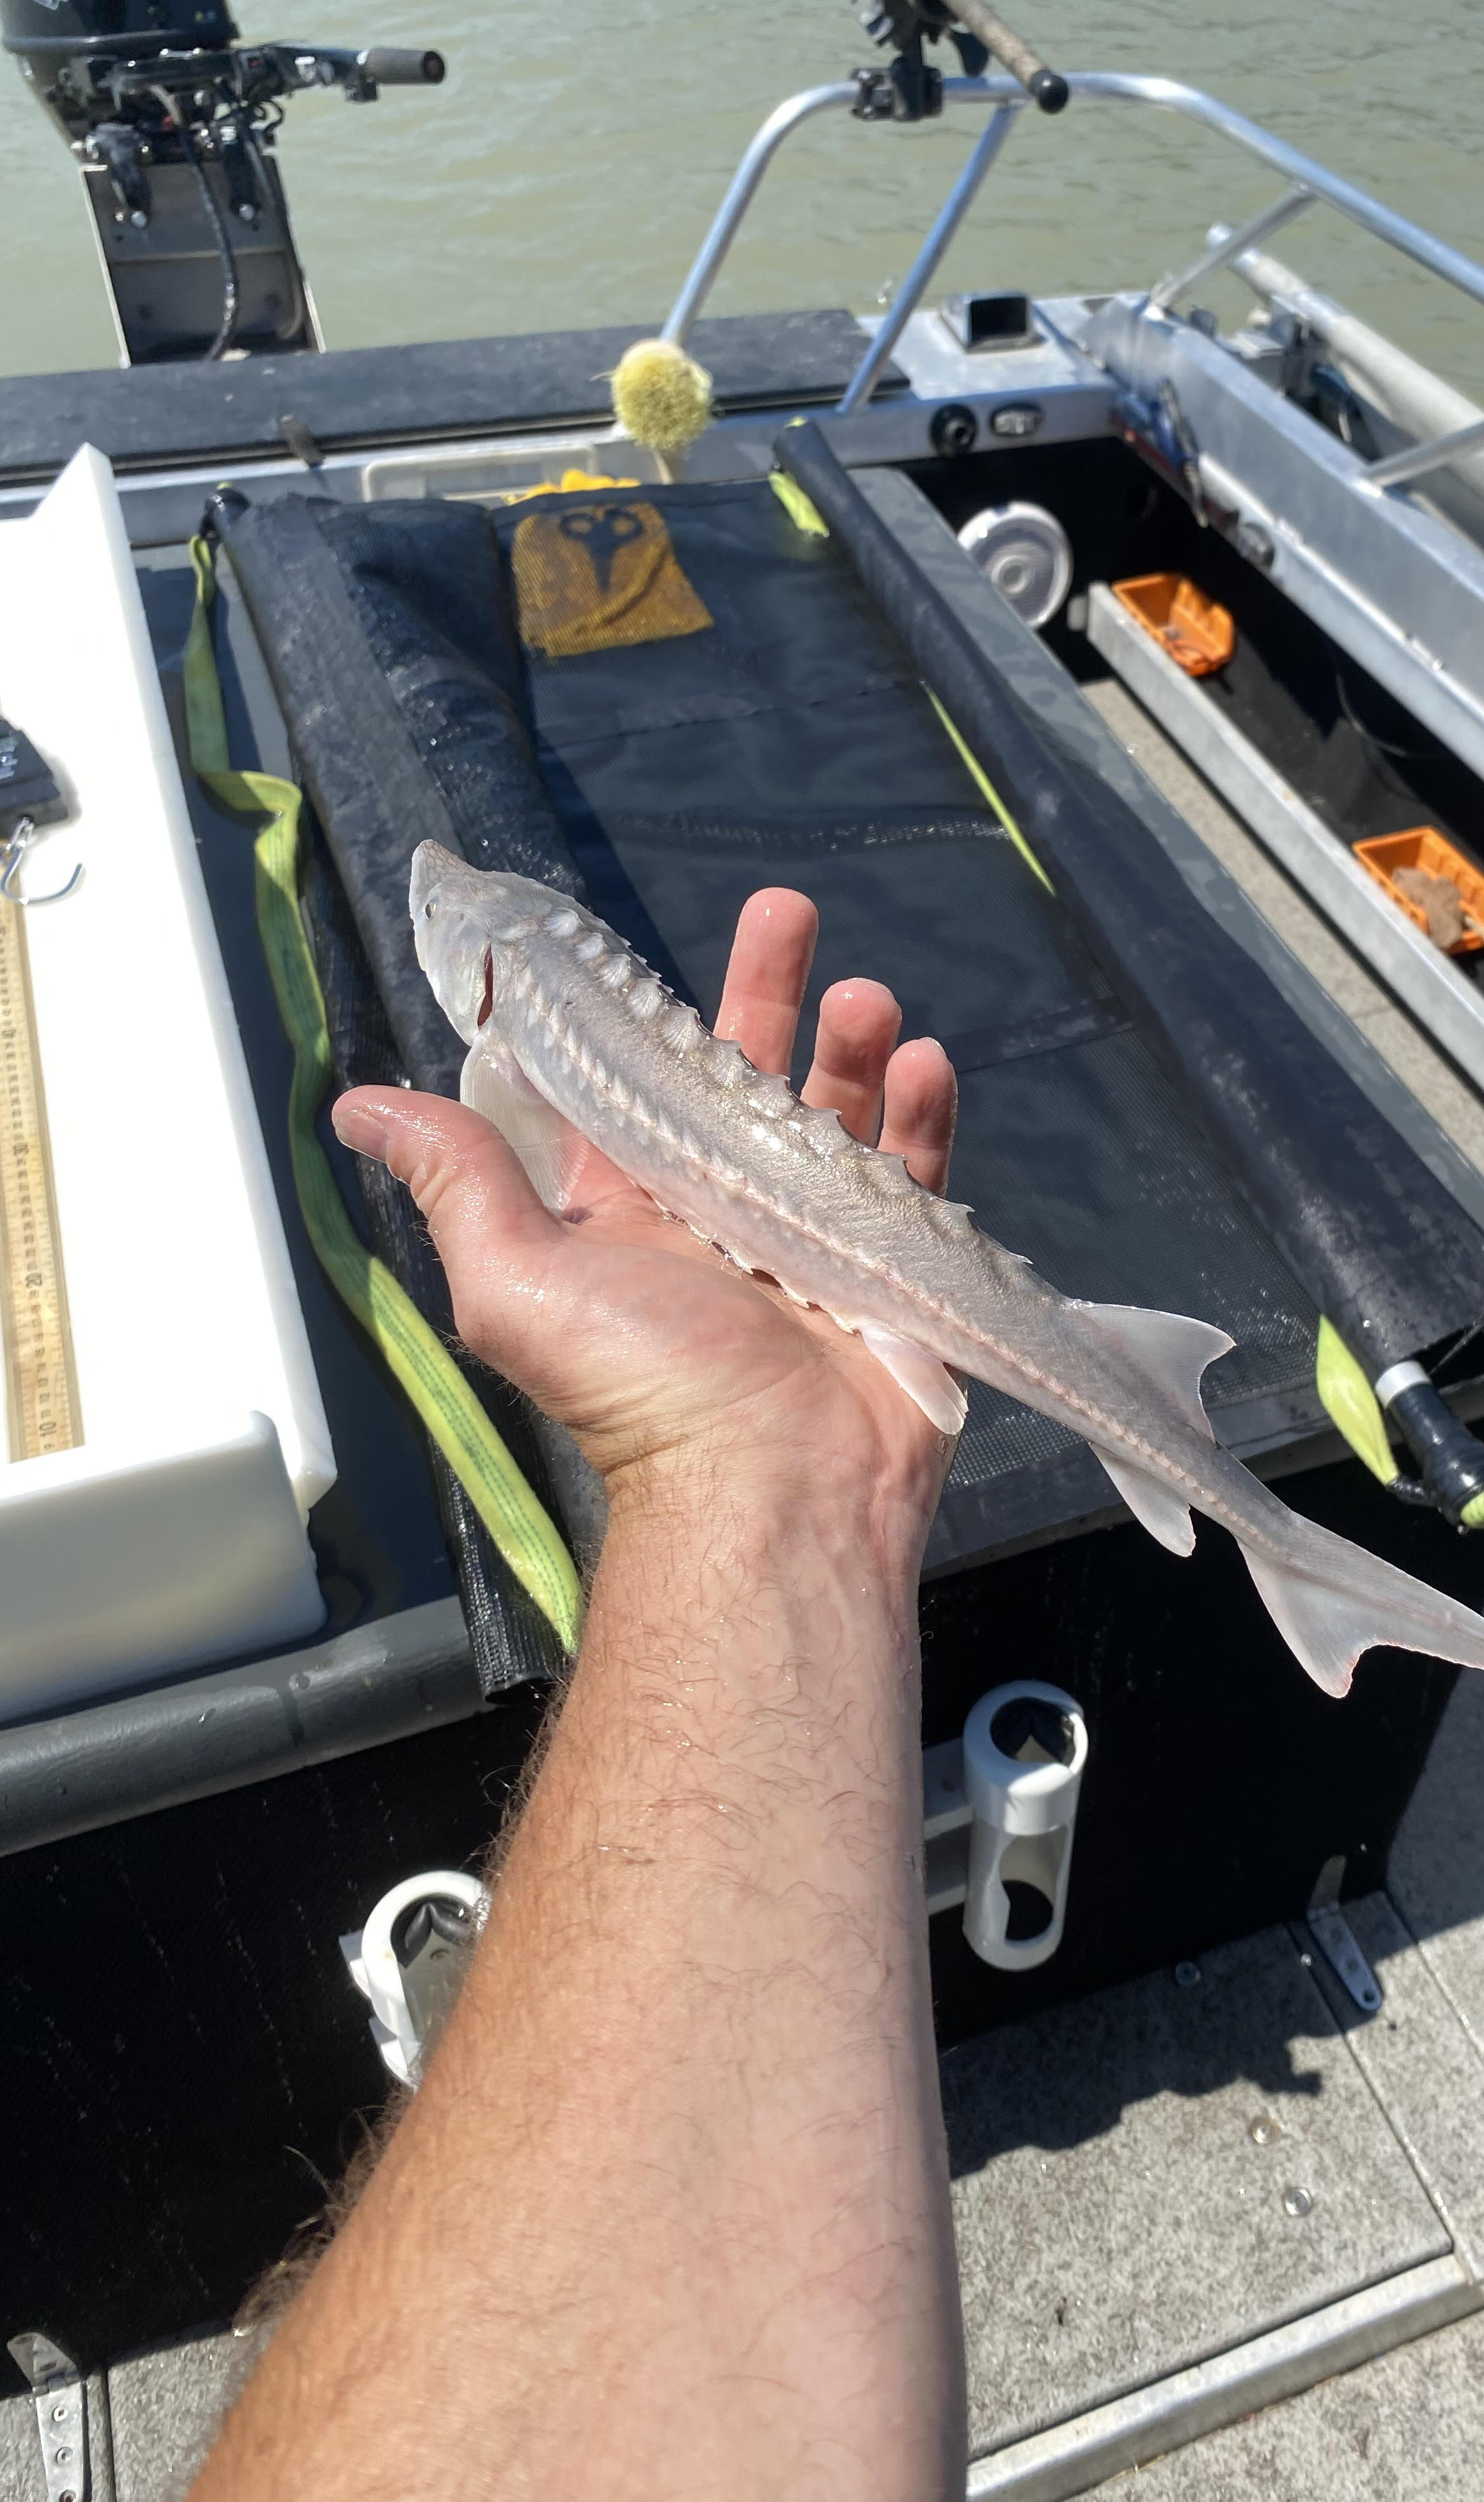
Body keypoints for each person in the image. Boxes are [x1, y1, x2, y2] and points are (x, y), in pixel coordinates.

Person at [190, 888, 970, 2502]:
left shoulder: (498, 1043)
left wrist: (755, 1482)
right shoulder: (517, 1010)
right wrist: (756, 1472)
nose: (436, 923)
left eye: (446, 921)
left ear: (476, 987)